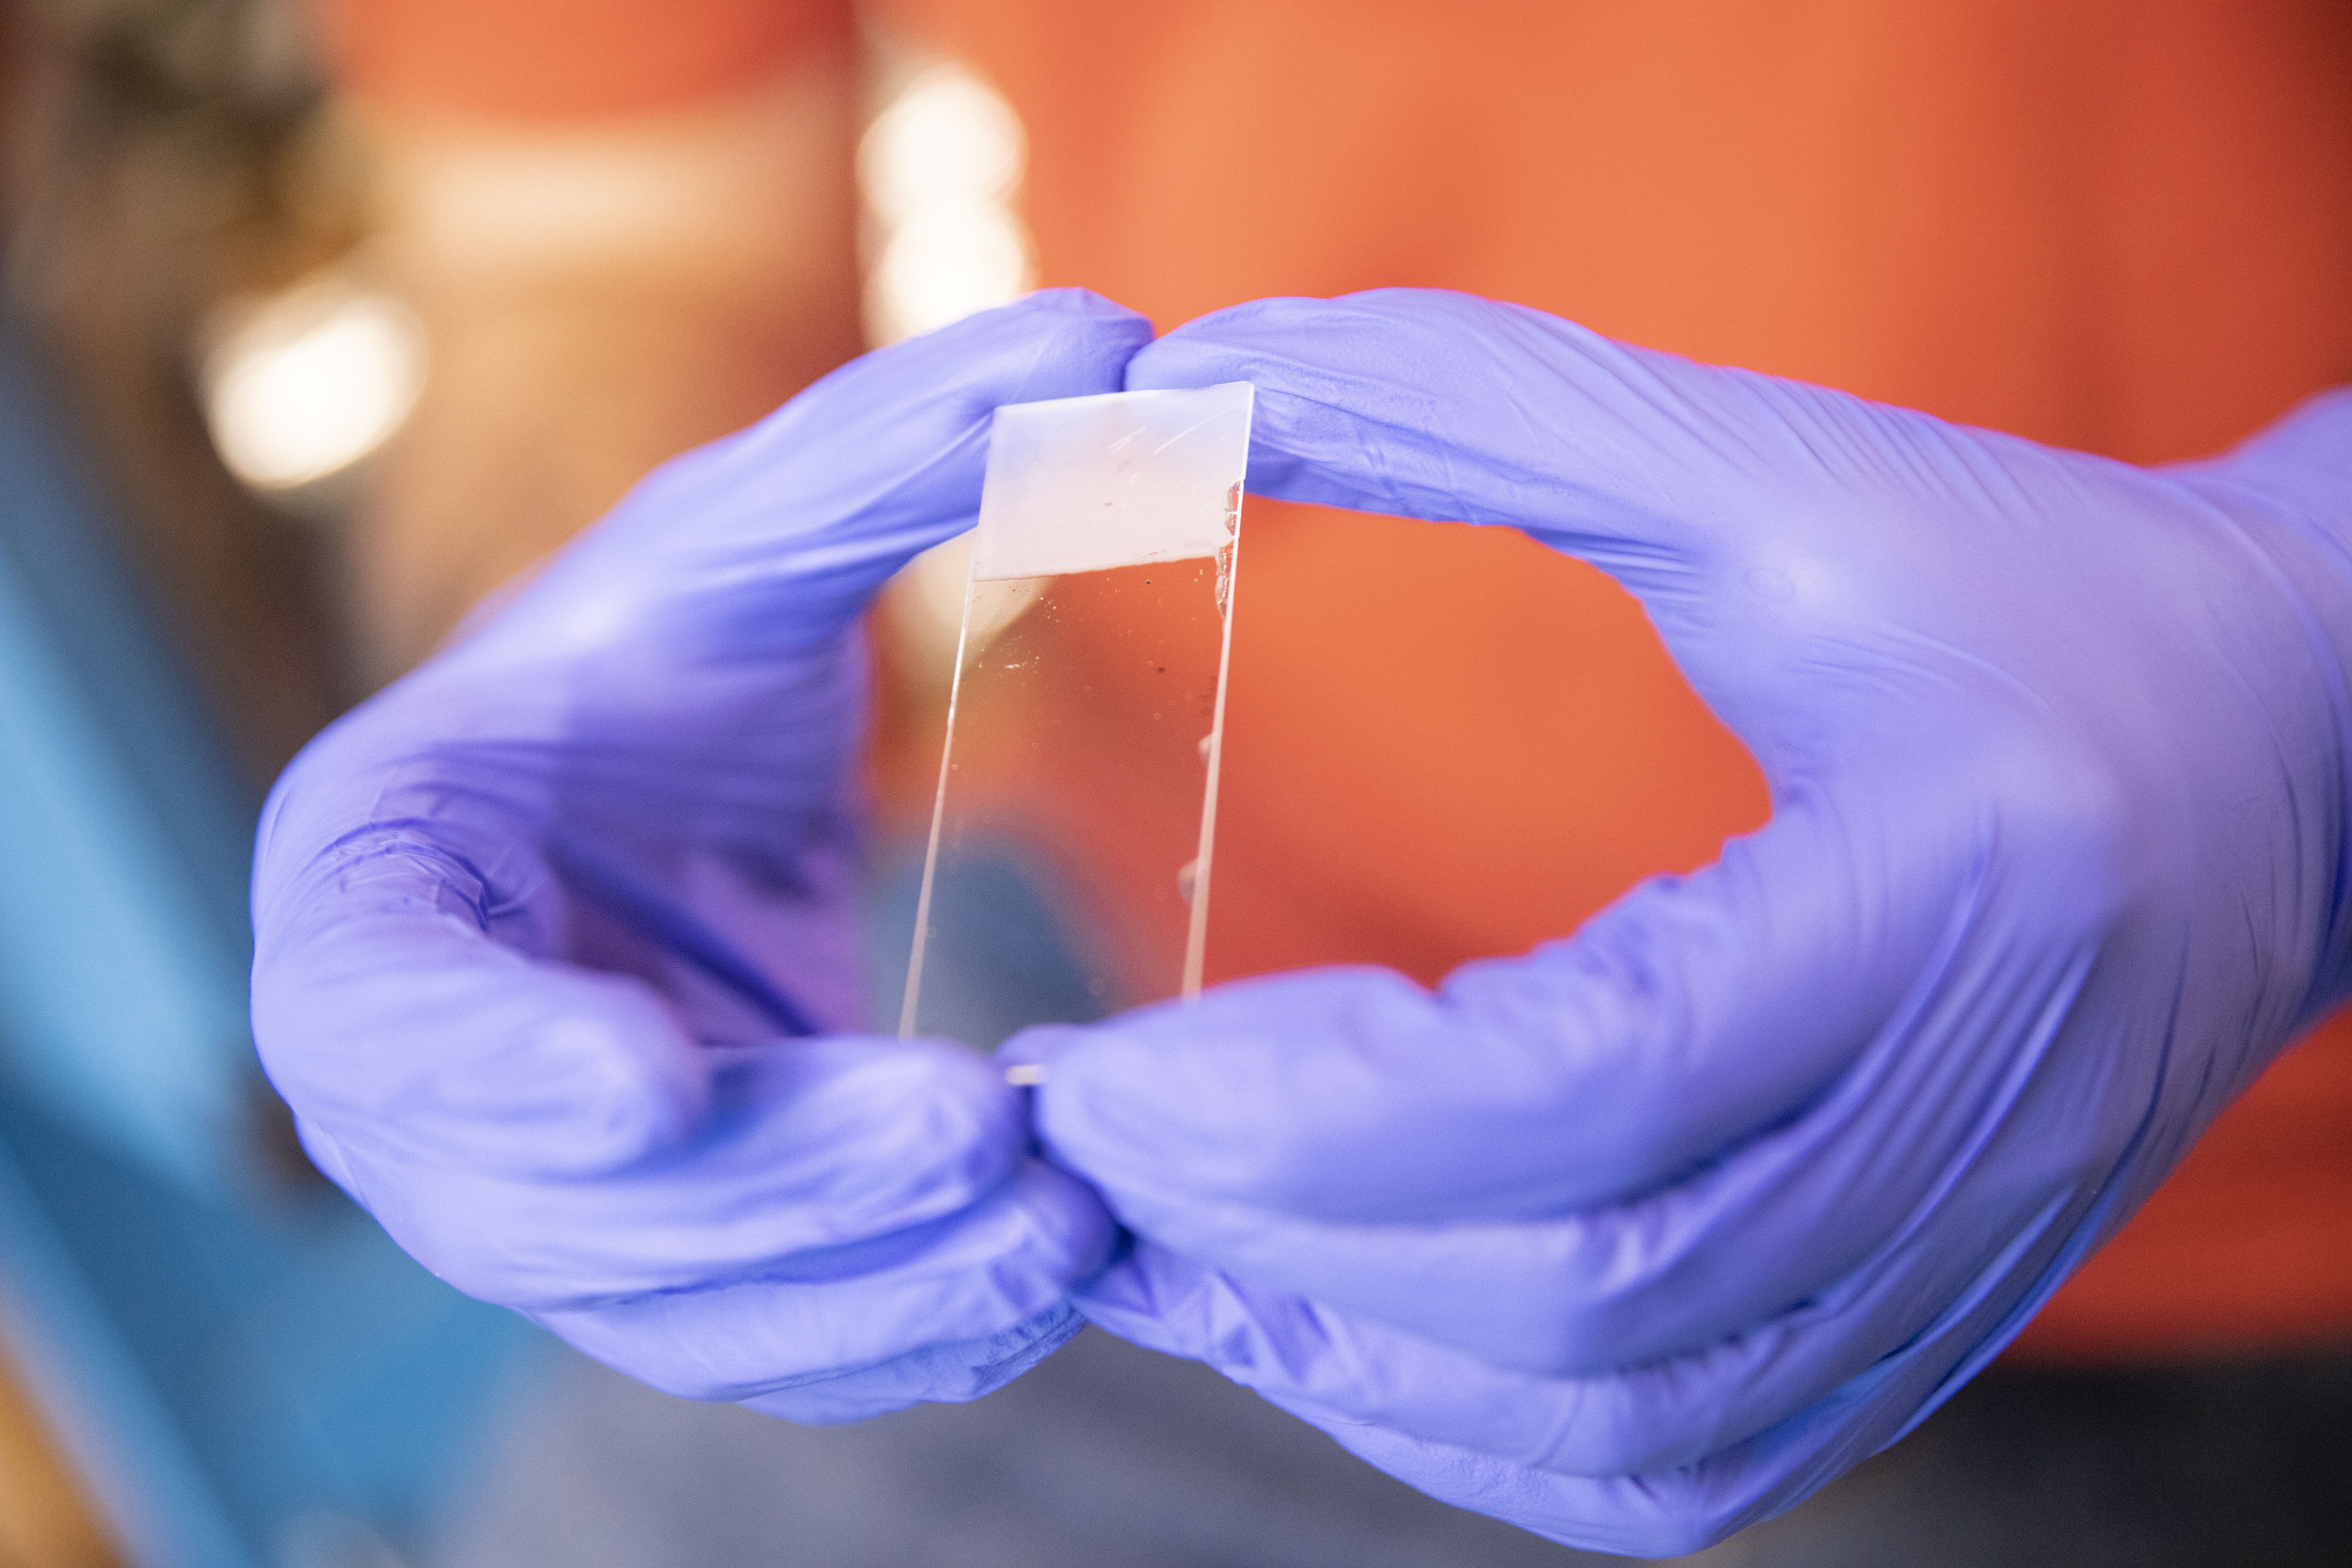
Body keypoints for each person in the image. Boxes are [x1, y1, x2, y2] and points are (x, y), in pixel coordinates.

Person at [258, 1, 2352, 1559]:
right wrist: (552, 663)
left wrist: (2308, 642)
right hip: (1158, 1043)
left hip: (2261, 1217)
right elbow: (605, 249)